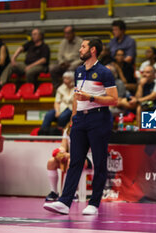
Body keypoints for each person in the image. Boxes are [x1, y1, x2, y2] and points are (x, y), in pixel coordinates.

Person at [43, 37, 118, 215]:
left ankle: (94, 203)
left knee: (99, 162)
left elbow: (114, 100)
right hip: (80, 121)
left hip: (98, 120)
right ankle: (64, 202)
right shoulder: (78, 71)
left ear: (93, 50)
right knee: (75, 161)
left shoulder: (104, 72)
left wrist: (91, 98)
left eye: (83, 47)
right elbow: (78, 98)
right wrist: (73, 120)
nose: (79, 49)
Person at [45, 122, 92, 201]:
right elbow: (63, 146)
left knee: (71, 161)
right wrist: (60, 152)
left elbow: (83, 150)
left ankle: (70, 193)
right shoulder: (68, 130)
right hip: (72, 156)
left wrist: (68, 155)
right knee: (51, 162)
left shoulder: (87, 129)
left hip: (87, 158)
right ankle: (54, 192)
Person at [49, 26, 83, 90]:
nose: (66, 35)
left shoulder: (80, 42)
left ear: (73, 33)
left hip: (75, 64)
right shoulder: (63, 42)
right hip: (64, 63)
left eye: (68, 33)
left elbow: (82, 57)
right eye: (65, 33)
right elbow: (59, 55)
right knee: (52, 68)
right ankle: (57, 88)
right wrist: (62, 63)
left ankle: (71, 89)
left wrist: (72, 64)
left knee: (71, 68)